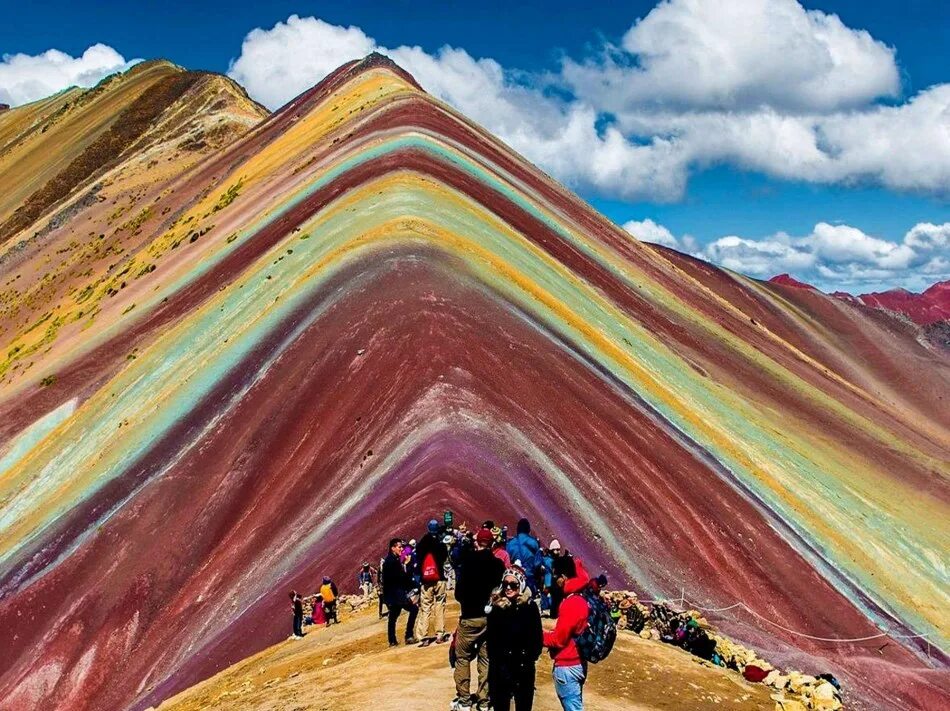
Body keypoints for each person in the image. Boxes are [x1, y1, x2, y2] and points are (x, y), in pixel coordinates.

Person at [452, 527, 505, 711]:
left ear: (477, 542)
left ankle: (465, 700)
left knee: (462, 658)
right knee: (486, 659)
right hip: (490, 619)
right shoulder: (498, 565)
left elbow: (458, 593)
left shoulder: (467, 562)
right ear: (492, 544)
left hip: (468, 617)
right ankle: (484, 701)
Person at [486, 567, 543, 711]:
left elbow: (537, 639)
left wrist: (528, 658)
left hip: (523, 668)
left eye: (513, 584)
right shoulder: (496, 608)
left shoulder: (530, 608)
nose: (508, 588)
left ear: (521, 585)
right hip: (500, 668)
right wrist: (497, 662)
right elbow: (491, 640)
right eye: (505, 584)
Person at [543, 561, 591, 711]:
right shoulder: (582, 597)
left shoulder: (571, 603)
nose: (555, 580)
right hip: (578, 661)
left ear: (563, 577)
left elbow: (559, 640)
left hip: (567, 664)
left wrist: (538, 635)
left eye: (556, 576)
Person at [415, 519, 451, 646]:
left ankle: (423, 637)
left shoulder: (423, 543)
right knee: (439, 605)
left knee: (425, 608)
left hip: (426, 580)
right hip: (439, 578)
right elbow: (444, 557)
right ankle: (440, 634)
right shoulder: (440, 543)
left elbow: (417, 557)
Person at [382, 538, 419, 646]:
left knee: (393, 617)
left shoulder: (390, 560)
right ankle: (408, 635)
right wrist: (407, 565)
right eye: (399, 547)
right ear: (393, 548)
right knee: (414, 609)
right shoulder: (393, 561)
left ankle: (392, 640)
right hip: (397, 594)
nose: (401, 549)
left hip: (392, 594)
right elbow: (401, 578)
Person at [506, 519, 542, 594]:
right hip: (529, 578)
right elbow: (537, 563)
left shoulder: (510, 543)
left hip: (513, 577)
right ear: (528, 530)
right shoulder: (534, 543)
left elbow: (507, 561)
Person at [548, 540, 575, 620]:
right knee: (555, 603)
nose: (556, 552)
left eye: (558, 550)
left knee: (556, 602)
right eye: (554, 550)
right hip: (551, 585)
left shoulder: (557, 561)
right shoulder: (549, 560)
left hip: (556, 585)